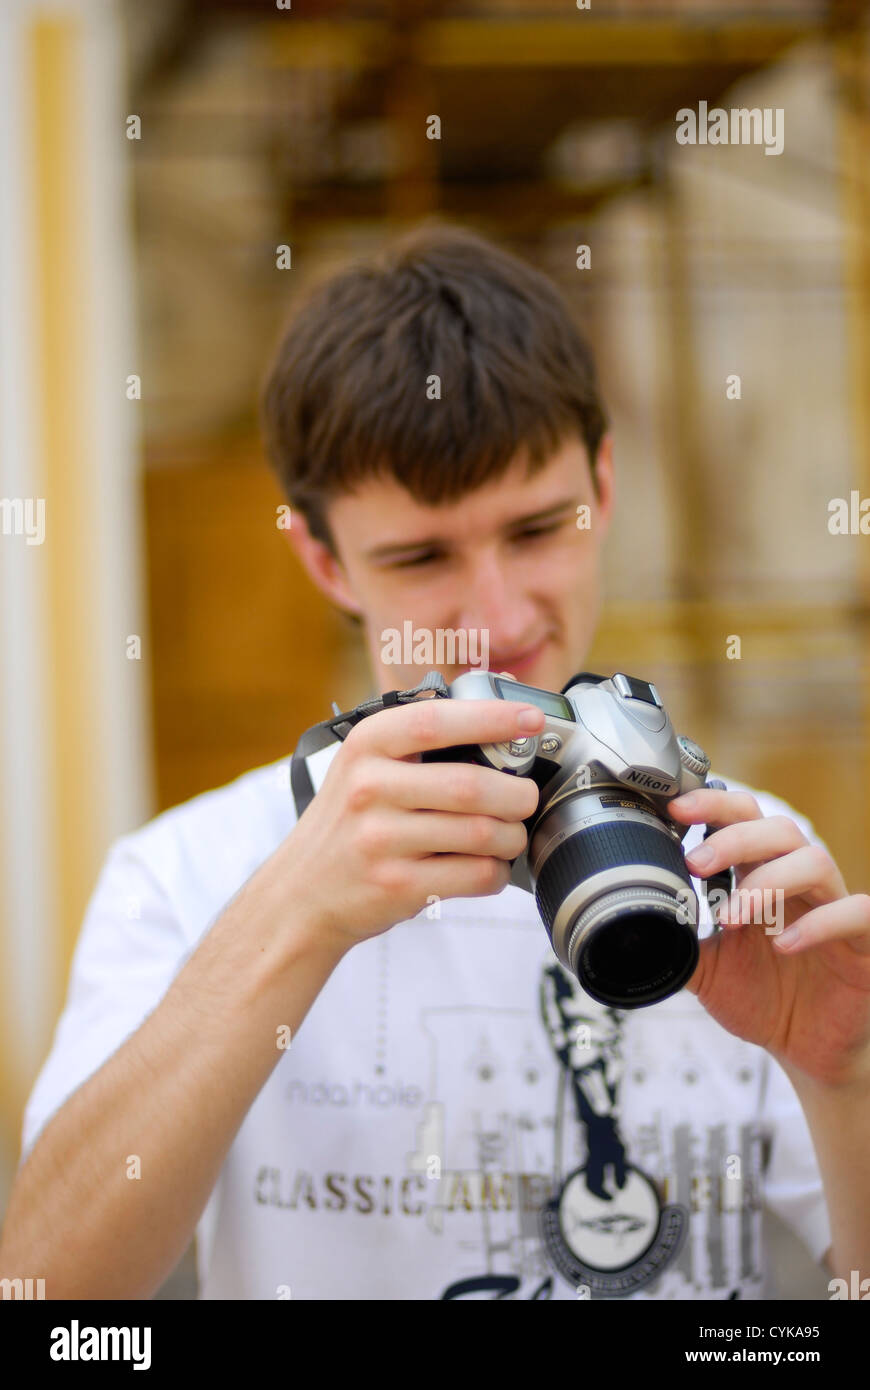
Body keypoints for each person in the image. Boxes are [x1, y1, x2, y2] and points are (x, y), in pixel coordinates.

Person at [2, 224, 869, 1302]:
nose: (497, 617)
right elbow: (45, 1296)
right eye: (421, 556)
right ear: (322, 558)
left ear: (602, 485)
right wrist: (293, 915)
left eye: (539, 529)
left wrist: (845, 1082)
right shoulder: (186, 875)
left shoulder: (741, 851)